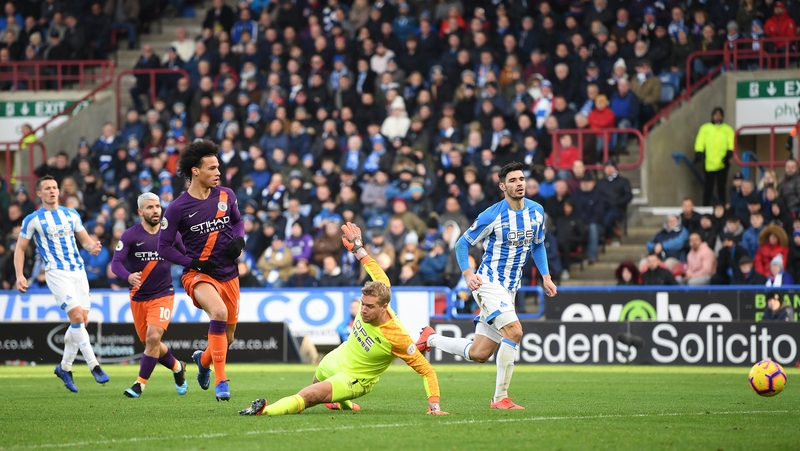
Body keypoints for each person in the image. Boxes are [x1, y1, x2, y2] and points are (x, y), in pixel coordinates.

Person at [239, 222, 447, 416]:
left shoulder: (397, 336)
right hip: (340, 356)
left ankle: (264, 411)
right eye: (362, 304)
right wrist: (358, 249)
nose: (363, 310)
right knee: (315, 382)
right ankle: (343, 404)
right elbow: (372, 266)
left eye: (370, 307)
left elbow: (427, 370)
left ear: (384, 307)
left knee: (311, 395)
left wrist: (434, 406)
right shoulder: (381, 289)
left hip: (356, 378)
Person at [416, 161, 558, 410]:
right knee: (514, 332)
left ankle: (431, 338)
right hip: (489, 282)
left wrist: (546, 276)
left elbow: (537, 245)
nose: (519, 184)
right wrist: (468, 274)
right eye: (512, 180)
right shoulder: (492, 215)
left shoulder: (537, 212)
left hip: (510, 288)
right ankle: (500, 398)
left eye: (521, 179)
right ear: (503, 187)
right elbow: (462, 244)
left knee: (479, 353)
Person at [157, 140, 245, 402]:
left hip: (229, 274)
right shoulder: (177, 208)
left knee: (228, 339)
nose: (218, 172)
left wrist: (239, 240)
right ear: (195, 171)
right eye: (212, 168)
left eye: (218, 167)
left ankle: (203, 360)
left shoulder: (227, 195)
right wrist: (193, 262)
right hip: (199, 274)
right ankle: (222, 381)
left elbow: (238, 222)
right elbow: (163, 247)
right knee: (218, 312)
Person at [15, 175, 108, 392]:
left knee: (81, 322)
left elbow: (85, 241)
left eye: (54, 187)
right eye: (47, 188)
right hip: (56, 272)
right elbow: (20, 248)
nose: (52, 191)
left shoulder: (71, 214)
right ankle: (94, 365)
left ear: (59, 191)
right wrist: (20, 274)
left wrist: (92, 247)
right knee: (76, 316)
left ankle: (64, 367)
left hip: (78, 271)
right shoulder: (33, 219)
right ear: (39, 193)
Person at [111, 193, 188, 398]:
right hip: (138, 296)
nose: (155, 211)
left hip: (163, 294)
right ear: (140, 212)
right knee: (150, 344)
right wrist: (128, 276)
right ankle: (178, 367)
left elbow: (187, 257)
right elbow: (116, 263)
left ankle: (139, 384)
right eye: (150, 207)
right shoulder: (130, 235)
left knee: (153, 337)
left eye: (157, 206)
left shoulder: (170, 234)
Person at [694, 107, 734, 206]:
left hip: (723, 162)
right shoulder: (705, 128)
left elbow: (731, 142)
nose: (717, 116)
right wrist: (699, 152)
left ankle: (722, 206)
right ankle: (705, 206)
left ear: (722, 117)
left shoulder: (727, 129)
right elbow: (700, 141)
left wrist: (730, 152)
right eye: (715, 114)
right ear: (712, 116)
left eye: (719, 115)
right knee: (708, 186)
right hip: (709, 162)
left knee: (721, 186)